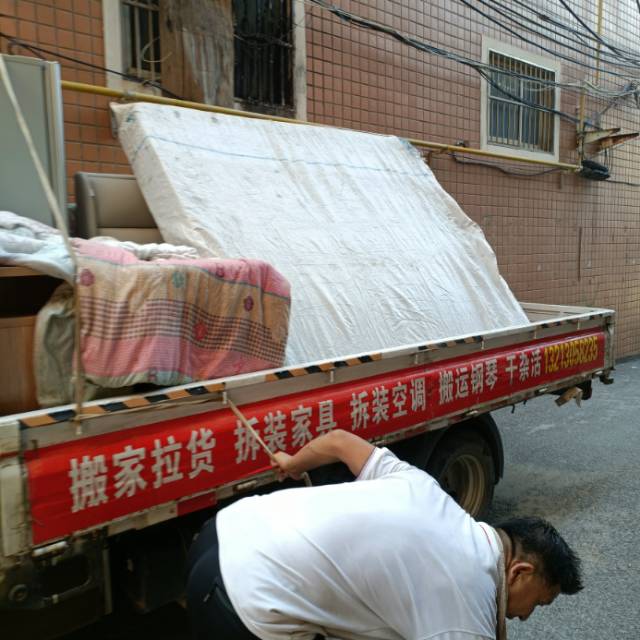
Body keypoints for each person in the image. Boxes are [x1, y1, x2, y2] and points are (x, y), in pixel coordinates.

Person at [186, 429, 583, 640]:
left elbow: (339, 441)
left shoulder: (426, 490)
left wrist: (294, 463)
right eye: (538, 603)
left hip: (221, 532)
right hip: (245, 602)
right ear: (519, 572)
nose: (525, 616)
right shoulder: (466, 606)